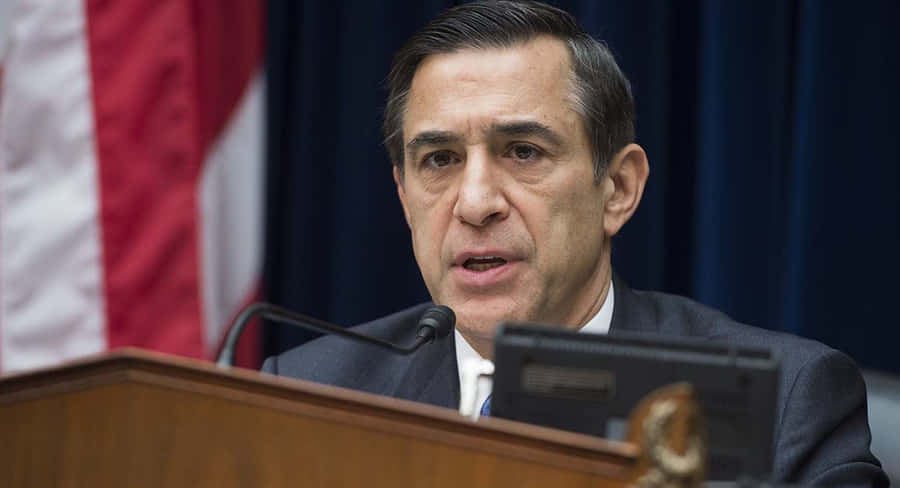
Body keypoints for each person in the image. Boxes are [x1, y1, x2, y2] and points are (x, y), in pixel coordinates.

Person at [262, 1, 887, 485]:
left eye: (523, 151)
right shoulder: (306, 396)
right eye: (440, 159)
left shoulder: (785, 403)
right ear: (403, 197)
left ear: (618, 188)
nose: (475, 203)